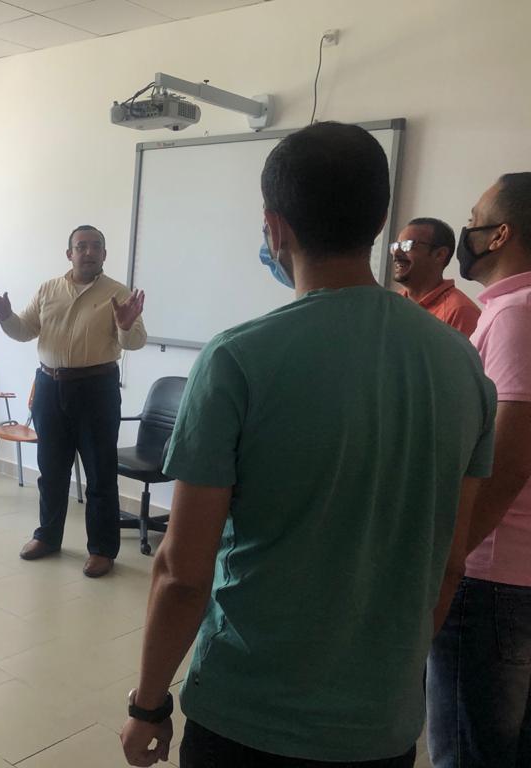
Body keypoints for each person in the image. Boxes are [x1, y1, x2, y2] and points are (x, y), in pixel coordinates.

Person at [120, 122, 497, 768]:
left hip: (247, 717)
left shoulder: (236, 360)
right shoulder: (464, 366)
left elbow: (183, 573)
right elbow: (450, 564)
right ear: (379, 223)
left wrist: (148, 704)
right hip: (381, 727)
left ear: (275, 228)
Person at [427, 172, 531, 768]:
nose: (467, 229)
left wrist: (451, 556)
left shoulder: (516, 315)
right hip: (511, 570)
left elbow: (509, 459)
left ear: (500, 234)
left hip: (492, 575)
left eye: (474, 219)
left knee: (468, 751)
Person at [0, 225, 146, 578]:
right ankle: (48, 536)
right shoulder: (48, 289)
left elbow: (134, 342)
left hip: (96, 389)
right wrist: (5, 316)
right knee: (51, 469)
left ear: (104, 254)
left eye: (96, 246)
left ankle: (102, 549)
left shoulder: (118, 293)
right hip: (49, 387)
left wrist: (125, 325)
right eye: (81, 246)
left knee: (100, 473)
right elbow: (25, 331)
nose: (88, 252)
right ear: (69, 254)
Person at [392, 216, 481, 336]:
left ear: (439, 254)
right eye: (395, 246)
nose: (396, 253)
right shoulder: (394, 302)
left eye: (406, 245)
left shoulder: (460, 311)